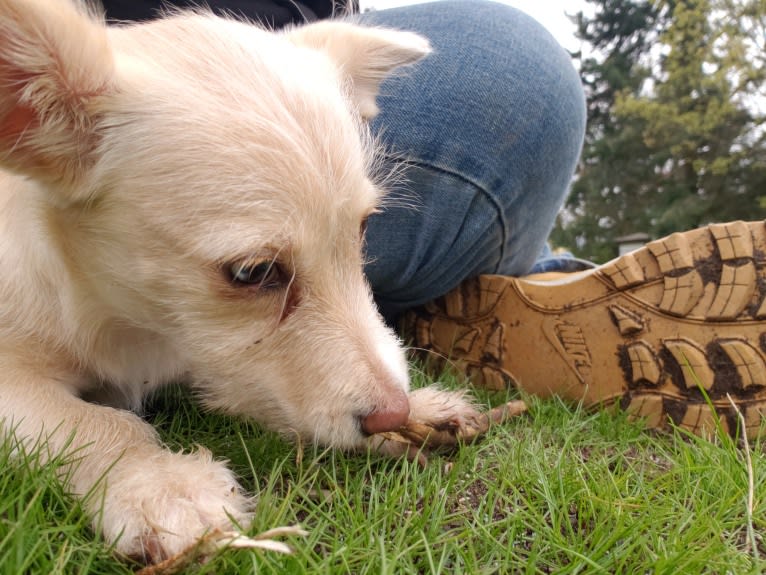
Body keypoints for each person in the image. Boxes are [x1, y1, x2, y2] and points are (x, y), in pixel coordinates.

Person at [101, 0, 766, 438]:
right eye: (252, 272)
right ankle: (500, 285)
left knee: (512, 66)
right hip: (125, 102)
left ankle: (472, 287)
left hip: (286, 67)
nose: (389, 402)